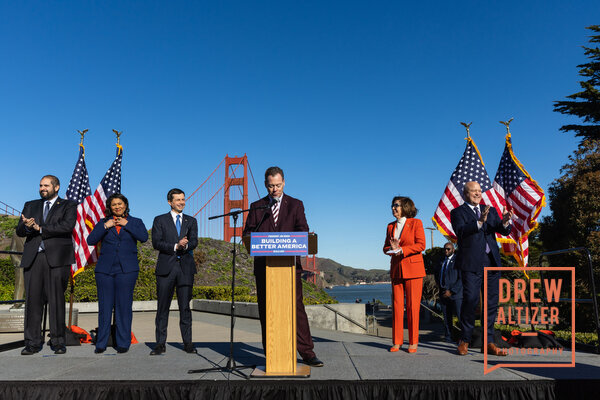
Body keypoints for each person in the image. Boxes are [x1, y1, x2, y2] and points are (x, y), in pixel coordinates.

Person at [242, 166, 323, 367]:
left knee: (297, 309)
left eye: (278, 185)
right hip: (264, 267)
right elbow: (248, 233)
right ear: (265, 185)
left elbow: (303, 231)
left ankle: (307, 353)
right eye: (271, 186)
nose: (275, 189)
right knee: (266, 309)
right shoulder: (256, 206)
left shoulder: (296, 205)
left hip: (290, 268)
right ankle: (270, 352)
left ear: (284, 182)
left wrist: (286, 240)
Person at [16, 175, 77, 355]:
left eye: (46, 185)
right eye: (41, 185)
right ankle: (32, 343)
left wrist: (40, 229)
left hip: (58, 259)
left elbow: (67, 226)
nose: (43, 188)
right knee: (33, 301)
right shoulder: (30, 205)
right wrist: (27, 226)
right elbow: (19, 230)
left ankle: (58, 342)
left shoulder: (68, 205)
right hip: (34, 258)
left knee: (56, 300)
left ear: (56, 187)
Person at [451, 181, 512, 356]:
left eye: (479, 190)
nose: (478, 193)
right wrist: (478, 222)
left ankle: (489, 342)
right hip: (471, 263)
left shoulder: (490, 210)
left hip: (491, 262)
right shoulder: (457, 212)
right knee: (470, 301)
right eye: (473, 191)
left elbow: (501, 230)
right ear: (465, 194)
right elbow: (460, 231)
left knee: (491, 303)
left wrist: (506, 222)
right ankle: (465, 340)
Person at [87, 193, 148, 353]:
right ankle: (101, 343)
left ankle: (123, 342)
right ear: (110, 207)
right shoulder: (103, 222)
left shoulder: (135, 222)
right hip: (105, 270)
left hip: (127, 270)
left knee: (124, 307)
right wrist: (106, 226)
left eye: (120, 204)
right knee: (105, 307)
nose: (117, 207)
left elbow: (144, 237)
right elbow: (90, 240)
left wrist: (127, 224)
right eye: (114, 205)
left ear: (125, 205)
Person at [150, 188, 198, 355]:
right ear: (170, 202)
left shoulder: (191, 221)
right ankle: (160, 344)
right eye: (177, 200)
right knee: (162, 308)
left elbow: (195, 242)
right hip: (166, 269)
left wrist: (186, 245)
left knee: (185, 308)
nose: (181, 202)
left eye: (183, 199)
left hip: (185, 269)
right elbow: (156, 242)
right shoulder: (159, 220)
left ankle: (188, 343)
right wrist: (175, 246)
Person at [383, 196, 426, 353]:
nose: (393, 208)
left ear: (405, 207)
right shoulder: (390, 226)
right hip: (396, 270)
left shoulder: (416, 223)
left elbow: (421, 245)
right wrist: (391, 248)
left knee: (412, 307)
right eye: (392, 205)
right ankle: (397, 341)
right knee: (396, 307)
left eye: (396, 205)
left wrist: (402, 249)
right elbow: (385, 247)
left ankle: (413, 342)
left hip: (413, 271)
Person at [435, 242, 462, 343]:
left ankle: (463, 339)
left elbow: (461, 278)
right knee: (446, 318)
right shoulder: (441, 261)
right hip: (443, 294)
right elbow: (436, 274)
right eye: (445, 249)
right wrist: (440, 286)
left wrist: (451, 291)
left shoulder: (458, 261)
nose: (446, 251)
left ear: (453, 250)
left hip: (456, 295)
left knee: (460, 317)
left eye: (448, 249)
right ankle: (448, 337)